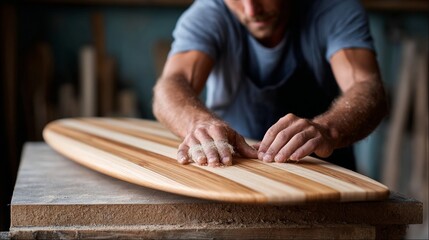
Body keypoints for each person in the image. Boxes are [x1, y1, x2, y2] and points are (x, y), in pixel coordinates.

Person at [152, 0, 387, 170]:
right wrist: (199, 123)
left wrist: (328, 130)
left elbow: (367, 86)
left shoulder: (335, 9)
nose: (252, 10)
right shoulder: (207, 14)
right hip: (233, 169)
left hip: (323, 172)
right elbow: (171, 84)